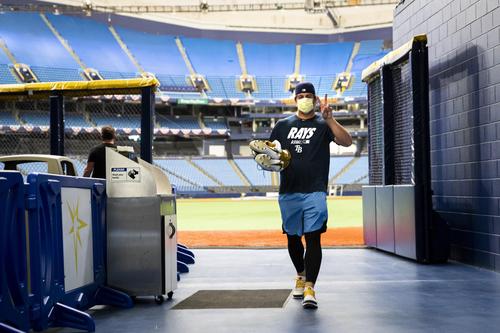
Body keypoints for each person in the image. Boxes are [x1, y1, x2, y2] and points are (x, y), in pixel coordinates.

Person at [269, 82, 352, 309]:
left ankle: (310, 288)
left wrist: (330, 119)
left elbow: (347, 141)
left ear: (315, 100)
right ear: (295, 99)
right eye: (301, 95)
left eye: (309, 96)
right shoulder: (282, 125)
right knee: (293, 238)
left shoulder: (323, 124)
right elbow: (269, 154)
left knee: (313, 237)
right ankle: (300, 274)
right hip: (289, 190)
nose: (305, 99)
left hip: (315, 190)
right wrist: (267, 159)